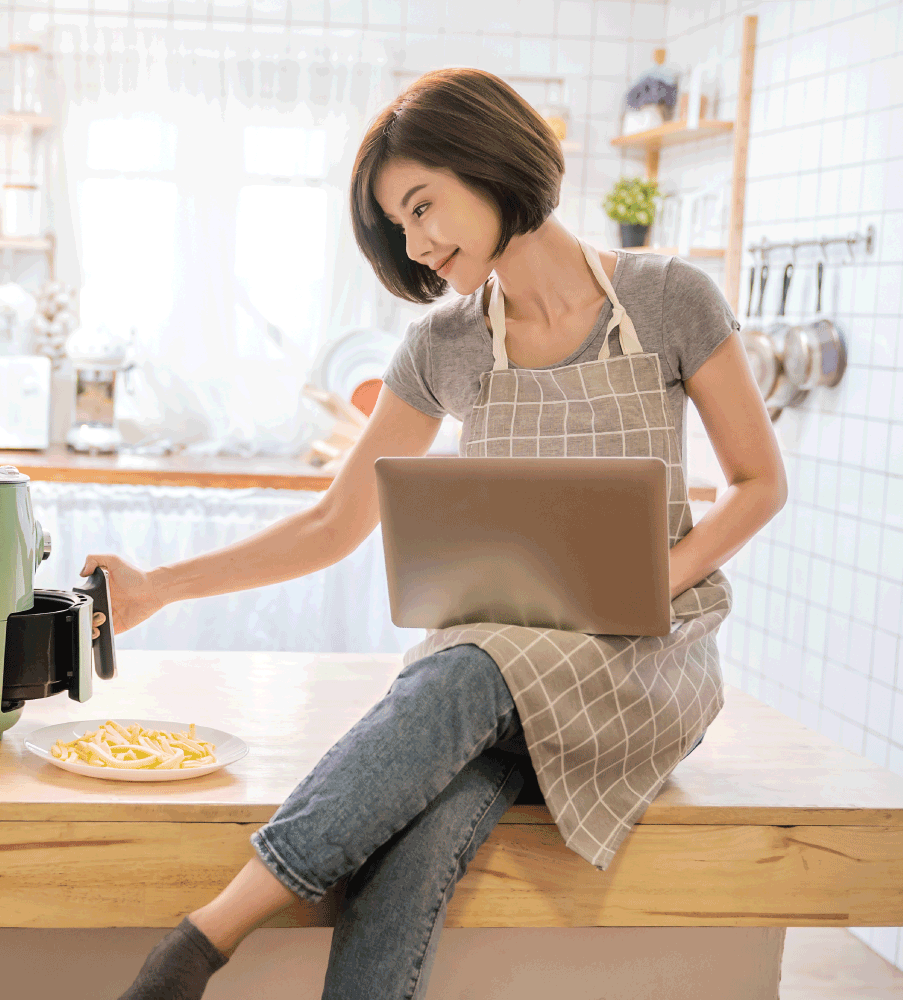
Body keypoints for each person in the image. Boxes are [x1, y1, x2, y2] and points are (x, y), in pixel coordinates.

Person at [86, 67, 787, 1000]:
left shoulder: (668, 299)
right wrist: (157, 587)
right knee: (414, 830)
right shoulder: (445, 345)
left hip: (636, 664)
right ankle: (193, 956)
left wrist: (662, 577)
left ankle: (201, 942)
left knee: (463, 666)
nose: (417, 244)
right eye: (400, 226)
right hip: (497, 680)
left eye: (424, 208)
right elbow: (337, 522)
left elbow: (759, 482)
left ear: (489, 162)